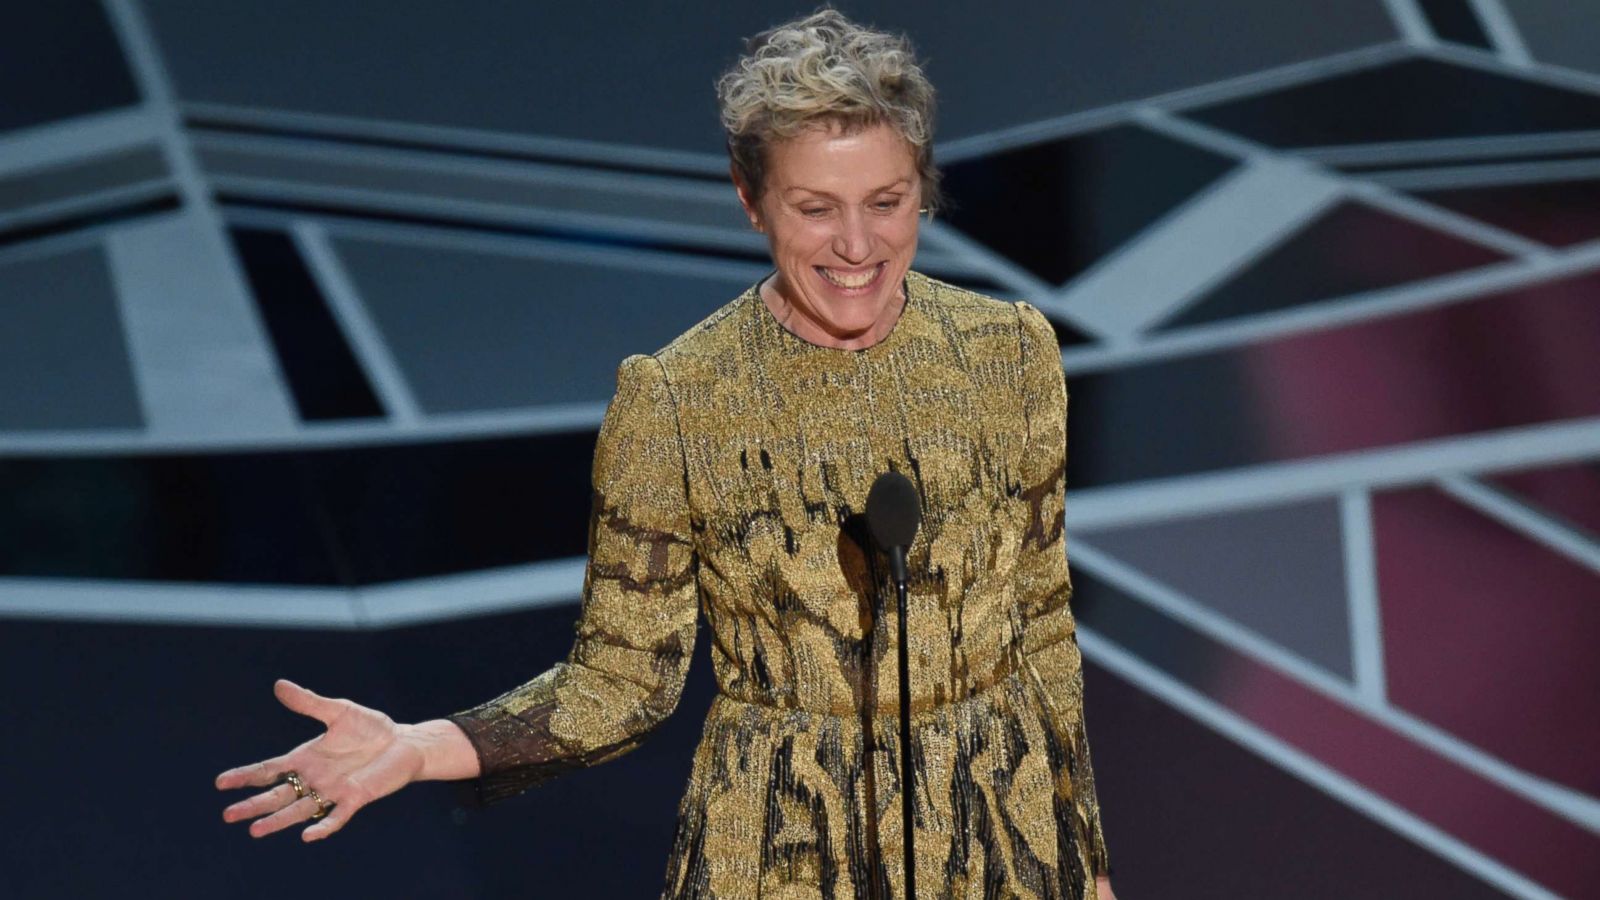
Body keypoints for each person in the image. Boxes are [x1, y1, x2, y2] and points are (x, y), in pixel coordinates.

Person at [216, 9, 1116, 899]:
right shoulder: (677, 398)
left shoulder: (1008, 348)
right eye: (815, 208)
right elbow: (620, 680)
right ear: (749, 198)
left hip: (1003, 828)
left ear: (923, 185)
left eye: (887, 202)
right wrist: (418, 748)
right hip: (782, 839)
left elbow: (1040, 618)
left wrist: (1086, 863)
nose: (857, 244)